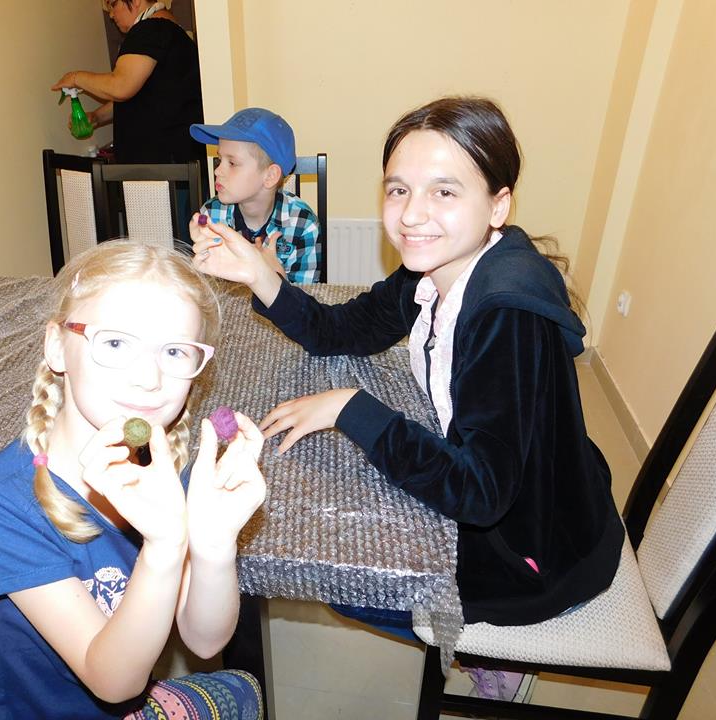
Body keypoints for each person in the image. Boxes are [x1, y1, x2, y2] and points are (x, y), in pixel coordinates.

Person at [190, 97, 624, 702]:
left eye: (444, 192)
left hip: (536, 547)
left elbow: (480, 494)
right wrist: (261, 276)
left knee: (347, 575)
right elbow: (340, 331)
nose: (413, 215)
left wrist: (351, 408)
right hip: (517, 486)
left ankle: (486, 648)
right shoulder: (434, 269)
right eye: (398, 190)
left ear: (498, 204)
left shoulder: (505, 314)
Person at [0, 241, 266, 719]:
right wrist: (164, 547)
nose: (148, 378)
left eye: (174, 351)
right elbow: (113, 683)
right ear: (57, 346)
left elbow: (204, 641)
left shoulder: (165, 470)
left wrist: (214, 546)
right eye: (116, 343)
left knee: (244, 687)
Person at [51, 0, 205, 168]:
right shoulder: (170, 32)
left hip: (162, 165)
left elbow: (121, 86)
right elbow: (141, 95)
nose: (111, 14)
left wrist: (76, 77)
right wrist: (97, 117)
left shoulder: (150, 29)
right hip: (177, 160)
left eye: (113, 4)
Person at [190, 107, 323, 284]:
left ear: (270, 176)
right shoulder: (211, 215)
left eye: (232, 163)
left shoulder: (303, 224)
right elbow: (208, 293)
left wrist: (276, 278)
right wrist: (200, 270)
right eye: (220, 159)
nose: (217, 170)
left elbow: (306, 298)